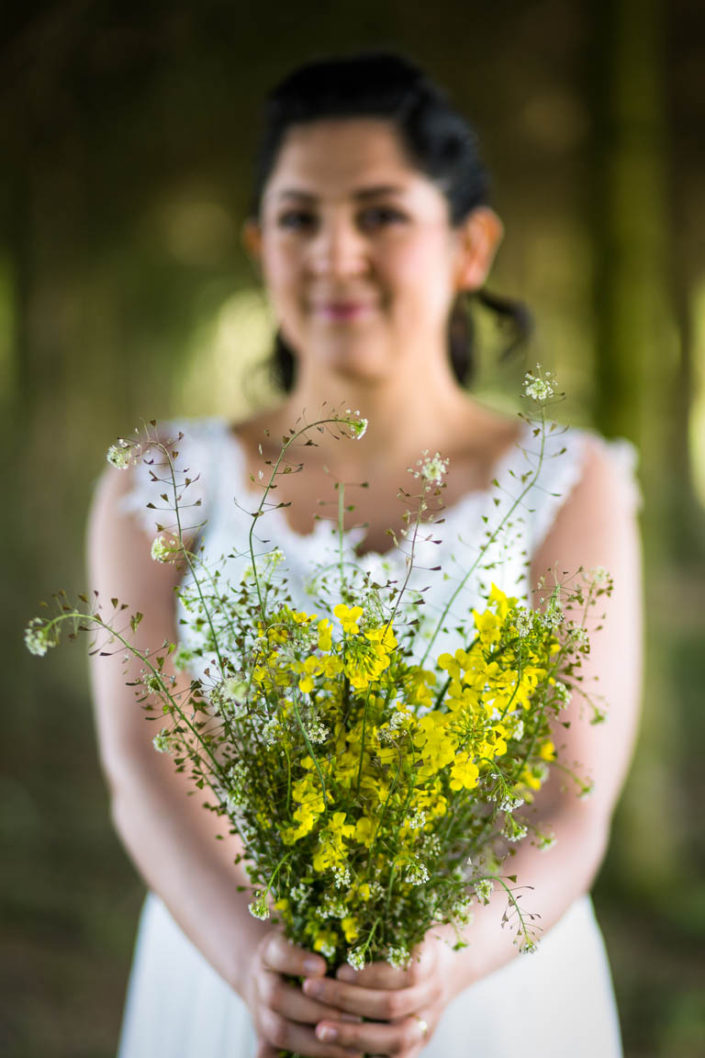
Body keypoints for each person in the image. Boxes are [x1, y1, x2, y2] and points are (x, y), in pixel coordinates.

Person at [88, 52, 642, 1058]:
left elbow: (575, 794)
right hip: (224, 974)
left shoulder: (571, 480)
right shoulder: (163, 475)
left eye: (381, 214)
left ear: (470, 246)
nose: (334, 254)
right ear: (260, 246)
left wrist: (443, 963)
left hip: (499, 991)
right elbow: (141, 760)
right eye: (299, 218)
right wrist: (256, 962)